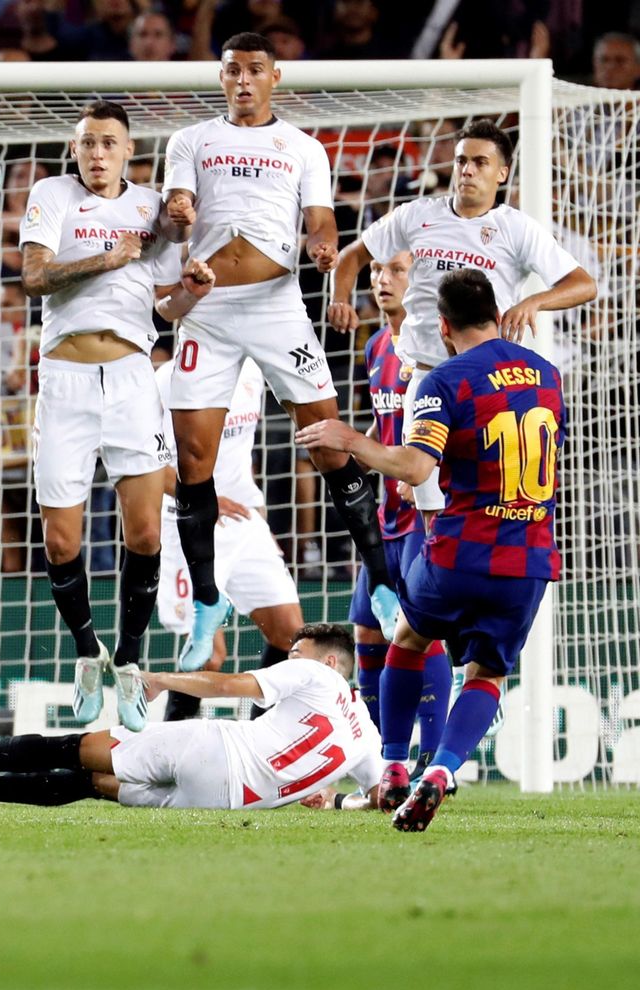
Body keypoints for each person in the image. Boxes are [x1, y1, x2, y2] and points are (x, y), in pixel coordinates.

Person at [159, 31, 401, 672]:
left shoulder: (302, 148)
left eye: (254, 70)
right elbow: (177, 210)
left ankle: (380, 580)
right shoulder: (190, 141)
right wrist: (180, 209)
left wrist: (323, 246)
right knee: (194, 461)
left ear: (275, 78)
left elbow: (321, 221)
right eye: (233, 70)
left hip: (275, 305)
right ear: (221, 78)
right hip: (206, 310)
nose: (243, 80)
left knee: (326, 441)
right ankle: (207, 600)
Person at [297, 269, 564, 832]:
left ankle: (394, 766)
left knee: (408, 639)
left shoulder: (446, 379)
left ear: (442, 327)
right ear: (497, 312)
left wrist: (351, 441)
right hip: (527, 559)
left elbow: (416, 466)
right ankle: (440, 771)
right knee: (487, 676)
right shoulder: (548, 375)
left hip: (461, 549)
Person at [18, 99, 215, 728]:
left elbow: (164, 308)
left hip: (131, 378)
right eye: (86, 143)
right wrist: (106, 257)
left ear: (129, 150)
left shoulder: (150, 207)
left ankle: (129, 662)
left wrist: (191, 290)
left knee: (147, 533)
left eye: (108, 143)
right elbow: (32, 277)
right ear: (74, 150)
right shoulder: (52, 194)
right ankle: (86, 651)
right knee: (60, 538)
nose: (97, 153)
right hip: (65, 380)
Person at [329, 119, 595, 528]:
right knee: (431, 510)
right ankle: (435, 583)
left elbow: (583, 284)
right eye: (461, 161)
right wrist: (340, 300)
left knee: (495, 504)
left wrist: (535, 301)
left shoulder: (516, 228)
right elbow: (351, 256)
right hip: (429, 378)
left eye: (480, 162)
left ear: (501, 173)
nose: (467, 170)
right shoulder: (417, 215)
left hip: (489, 385)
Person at [0, 623, 382, 811]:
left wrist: (163, 679)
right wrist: (337, 799)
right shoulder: (367, 737)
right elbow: (382, 797)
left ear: (328, 663)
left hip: (214, 747)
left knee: (75, 748)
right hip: (226, 800)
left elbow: (227, 685)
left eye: (297, 653)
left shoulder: (316, 676)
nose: (291, 657)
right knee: (90, 786)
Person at [155, 357, 304, 718]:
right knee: (210, 655)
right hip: (189, 521)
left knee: (293, 637)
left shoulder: (252, 371)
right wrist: (204, 500)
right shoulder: (164, 382)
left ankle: (262, 746)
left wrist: (260, 521)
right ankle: (167, 756)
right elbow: (146, 466)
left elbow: (240, 455)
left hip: (242, 517)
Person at [348, 252, 451, 767]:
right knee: (367, 629)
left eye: (395, 271)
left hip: (425, 513)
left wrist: (424, 472)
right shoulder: (375, 346)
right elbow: (383, 423)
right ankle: (378, 756)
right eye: (375, 272)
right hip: (384, 514)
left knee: (416, 627)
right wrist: (354, 454)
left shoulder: (435, 345)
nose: (383, 280)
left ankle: (434, 758)